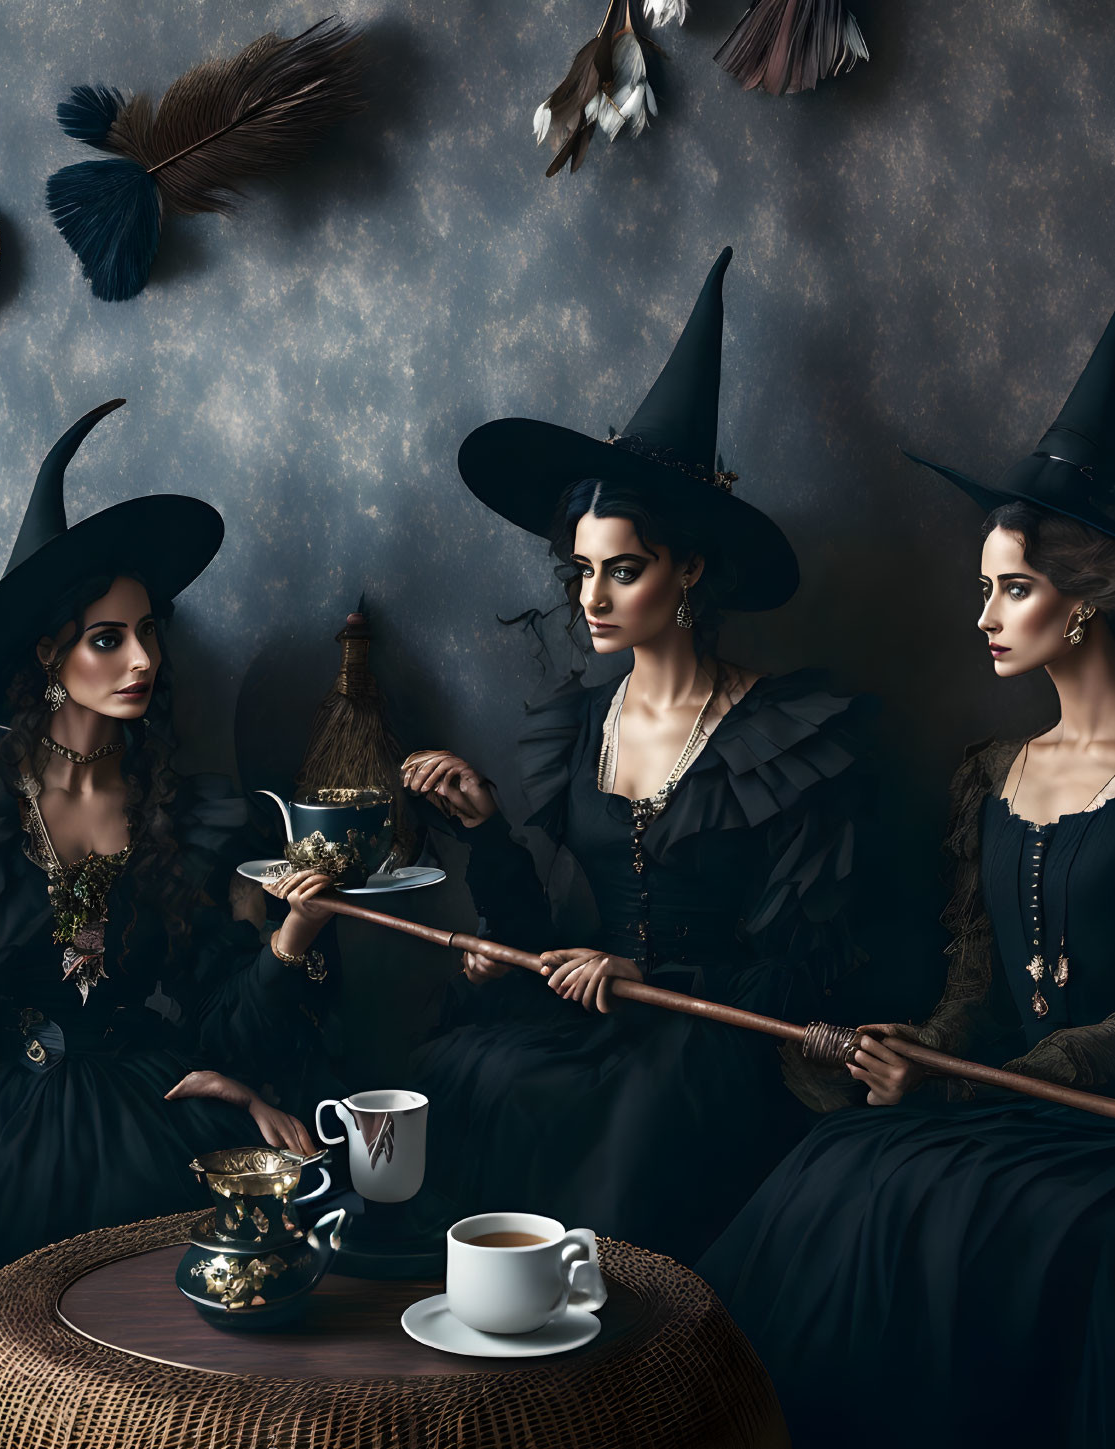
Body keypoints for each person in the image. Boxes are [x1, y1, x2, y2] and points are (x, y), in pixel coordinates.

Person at [0, 400, 334, 1430]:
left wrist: (288, 941)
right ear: (45, 656)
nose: (142, 660)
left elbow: (219, 1010)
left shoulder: (191, 811)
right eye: (107, 639)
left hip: (137, 1085)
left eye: (148, 632)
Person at [397, 250, 875, 1263]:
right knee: (466, 1068)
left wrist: (648, 975)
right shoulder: (579, 725)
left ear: (688, 569)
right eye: (580, 571)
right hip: (594, 1032)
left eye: (625, 569)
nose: (593, 598)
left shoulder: (784, 735)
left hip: (716, 1035)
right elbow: (538, 936)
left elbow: (814, 966)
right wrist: (486, 831)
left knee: (639, 1115)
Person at [699, 304, 1115, 1449]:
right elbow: (977, 982)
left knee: (998, 1212)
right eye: (985, 587)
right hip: (1006, 1106)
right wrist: (918, 1050)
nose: (982, 615)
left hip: (1095, 1120)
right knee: (844, 1169)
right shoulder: (995, 772)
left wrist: (974, 1082)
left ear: (1090, 595)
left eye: (1013, 589)